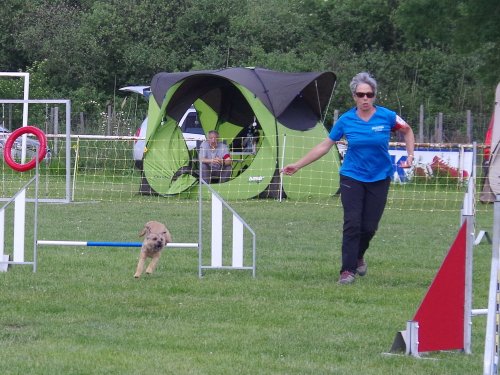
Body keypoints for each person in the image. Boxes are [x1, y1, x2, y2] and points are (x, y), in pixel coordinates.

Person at [281, 72, 415, 285]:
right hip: (352, 176)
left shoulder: (388, 116)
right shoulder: (345, 120)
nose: (365, 99)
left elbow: (407, 131)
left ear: (374, 96)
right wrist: (297, 165)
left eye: (369, 95)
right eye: (360, 94)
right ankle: (347, 270)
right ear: (354, 96)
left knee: (369, 226)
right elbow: (325, 146)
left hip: (380, 177)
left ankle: (359, 254)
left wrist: (410, 156)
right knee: (352, 223)